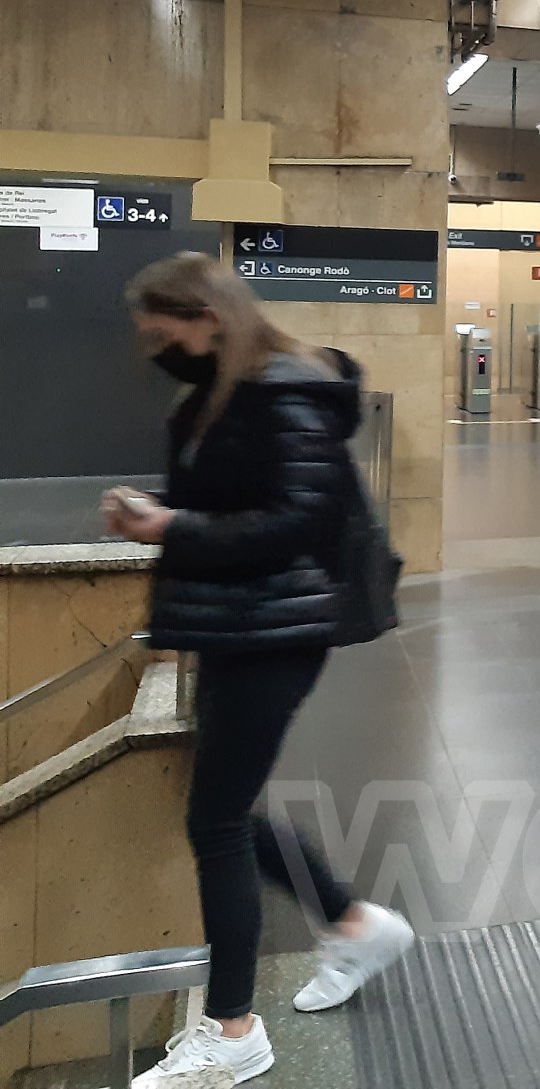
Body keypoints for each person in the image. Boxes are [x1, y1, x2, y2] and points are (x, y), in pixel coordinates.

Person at [103, 254, 414, 1086]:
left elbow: (298, 520)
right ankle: (353, 925)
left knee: (217, 821)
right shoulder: (224, 393)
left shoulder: (282, 393)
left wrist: (171, 526)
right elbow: (235, 504)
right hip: (238, 624)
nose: (155, 351)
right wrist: (164, 517)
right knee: (225, 811)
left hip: (275, 629)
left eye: (161, 334)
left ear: (206, 319)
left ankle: (234, 1027)